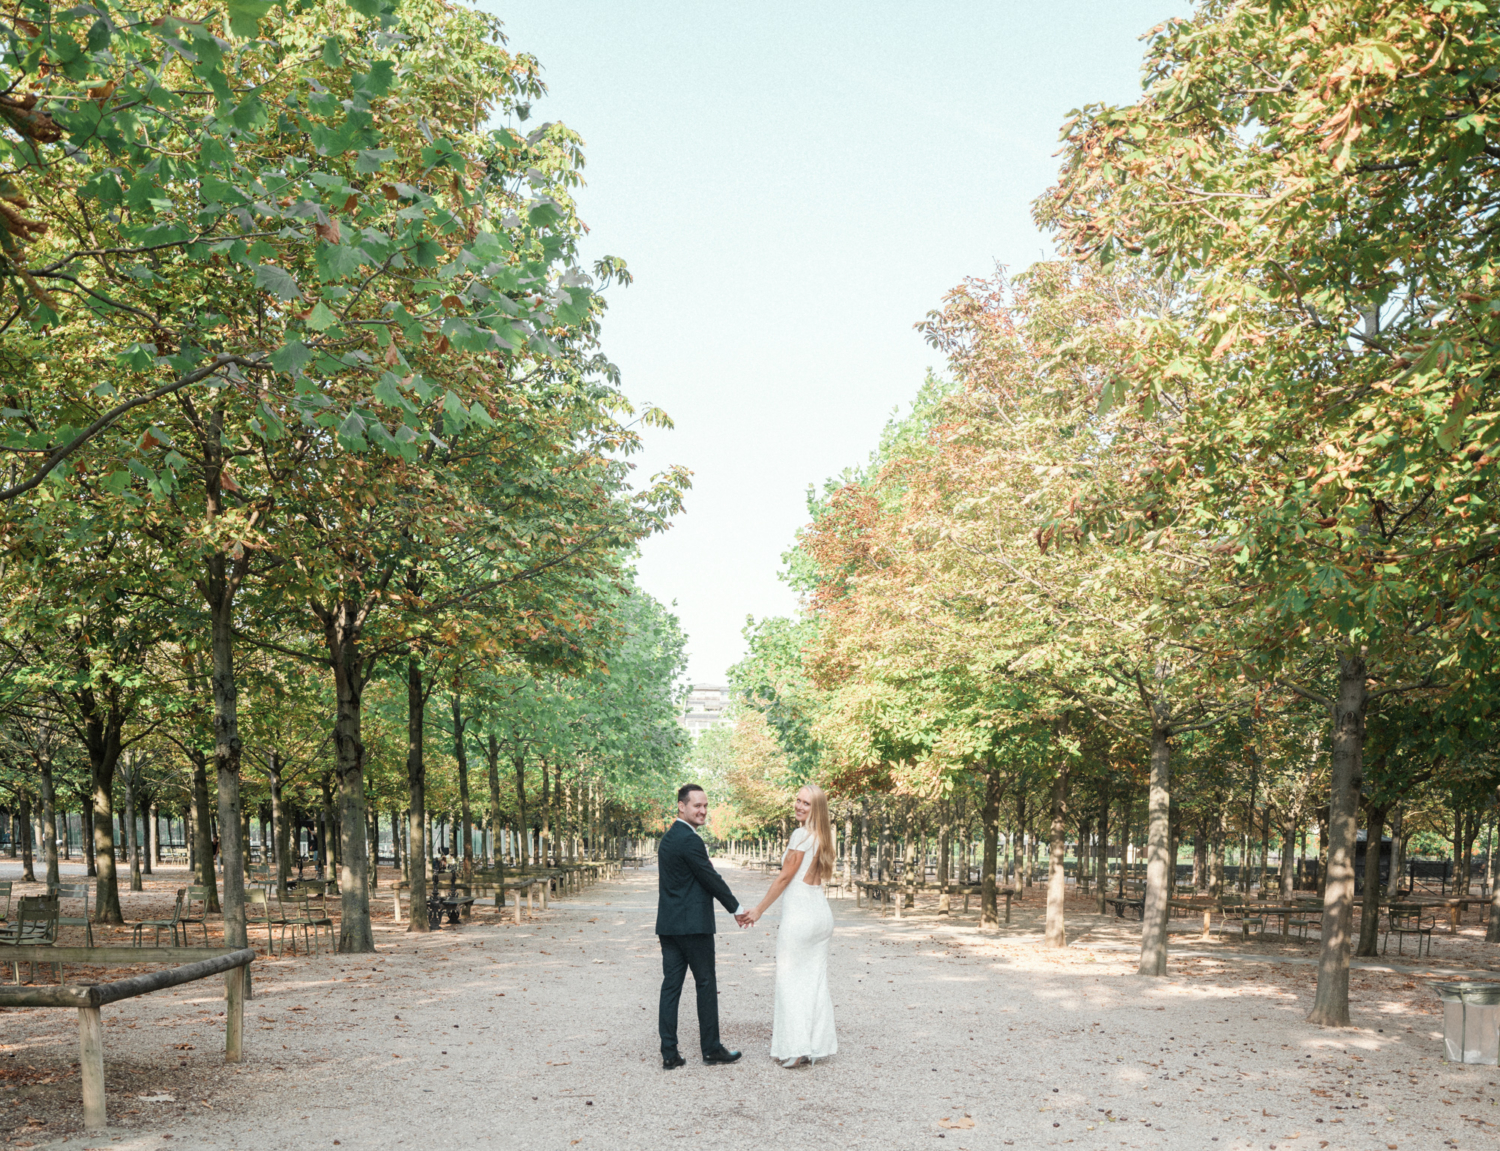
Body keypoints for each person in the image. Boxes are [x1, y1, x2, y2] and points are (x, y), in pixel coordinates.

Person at [655, 783, 750, 1070]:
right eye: (697, 805)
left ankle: (669, 1053)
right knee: (706, 985)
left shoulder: (669, 838)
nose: (703, 810)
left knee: (671, 987)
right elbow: (710, 878)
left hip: (669, 926)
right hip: (694, 928)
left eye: (705, 805)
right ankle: (711, 1049)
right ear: (681, 806)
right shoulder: (690, 840)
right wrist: (736, 908)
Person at [744, 783, 838, 1068]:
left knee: (790, 981)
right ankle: (815, 1044)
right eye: (797, 800)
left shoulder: (800, 834)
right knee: (815, 982)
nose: (798, 806)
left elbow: (785, 878)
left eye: (806, 803)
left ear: (816, 808)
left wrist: (759, 909)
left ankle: (796, 1048)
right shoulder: (825, 836)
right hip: (820, 913)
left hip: (801, 917)